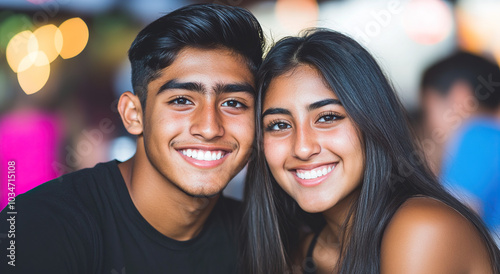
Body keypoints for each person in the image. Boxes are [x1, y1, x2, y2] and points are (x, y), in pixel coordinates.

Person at [0, 4, 264, 273]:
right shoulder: (41, 228)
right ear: (134, 114)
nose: (209, 128)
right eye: (182, 100)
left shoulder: (261, 240)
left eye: (233, 103)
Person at [241, 29, 500, 274]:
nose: (303, 147)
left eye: (328, 117)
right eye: (279, 125)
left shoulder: (422, 228)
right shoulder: (303, 251)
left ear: (372, 121)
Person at [420, 52, 500, 244]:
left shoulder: (478, 137)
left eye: (428, 110)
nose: (428, 126)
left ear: (459, 98)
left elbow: (448, 222)